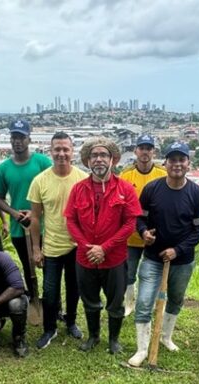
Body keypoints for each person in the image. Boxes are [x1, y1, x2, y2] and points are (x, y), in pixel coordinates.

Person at [127, 142, 199, 366]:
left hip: (182, 261)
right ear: (166, 163)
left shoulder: (196, 194)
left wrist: (178, 250)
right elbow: (139, 217)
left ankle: (166, 337)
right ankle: (142, 349)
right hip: (152, 258)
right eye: (173, 160)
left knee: (176, 299)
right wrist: (143, 233)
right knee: (144, 302)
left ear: (188, 164)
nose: (177, 164)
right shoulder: (152, 189)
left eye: (182, 160)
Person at [65, 137, 142, 354]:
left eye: (103, 155)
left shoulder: (125, 189)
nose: (99, 159)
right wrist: (87, 246)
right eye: (94, 156)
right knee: (89, 299)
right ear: (88, 161)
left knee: (115, 302)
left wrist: (105, 248)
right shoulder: (78, 189)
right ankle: (93, 337)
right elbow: (71, 220)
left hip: (114, 258)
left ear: (112, 160)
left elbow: (130, 223)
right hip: (85, 257)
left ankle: (114, 340)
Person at [27, 132, 87, 349]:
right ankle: (49, 329)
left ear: (72, 151)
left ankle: (71, 322)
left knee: (74, 288)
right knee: (50, 292)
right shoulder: (40, 181)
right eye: (57, 149)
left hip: (77, 246)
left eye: (65, 149)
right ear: (50, 151)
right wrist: (36, 248)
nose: (61, 153)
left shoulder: (82, 178)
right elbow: (35, 217)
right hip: (51, 247)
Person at [0, 119, 52, 305]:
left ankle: (52, 303)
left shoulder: (42, 162)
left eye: (21, 137)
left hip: (45, 227)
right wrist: (14, 213)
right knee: (29, 267)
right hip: (20, 228)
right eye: (14, 137)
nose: (17, 141)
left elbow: (53, 189)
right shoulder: (4, 168)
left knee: (50, 269)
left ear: (29, 139)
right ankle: (34, 299)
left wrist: (36, 213)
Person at [118, 134, 166, 316]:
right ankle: (129, 303)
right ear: (135, 150)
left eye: (149, 148)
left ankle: (152, 303)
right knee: (129, 273)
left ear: (153, 151)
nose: (145, 152)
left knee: (153, 273)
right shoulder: (126, 174)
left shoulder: (162, 174)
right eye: (142, 148)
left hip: (155, 235)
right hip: (131, 235)